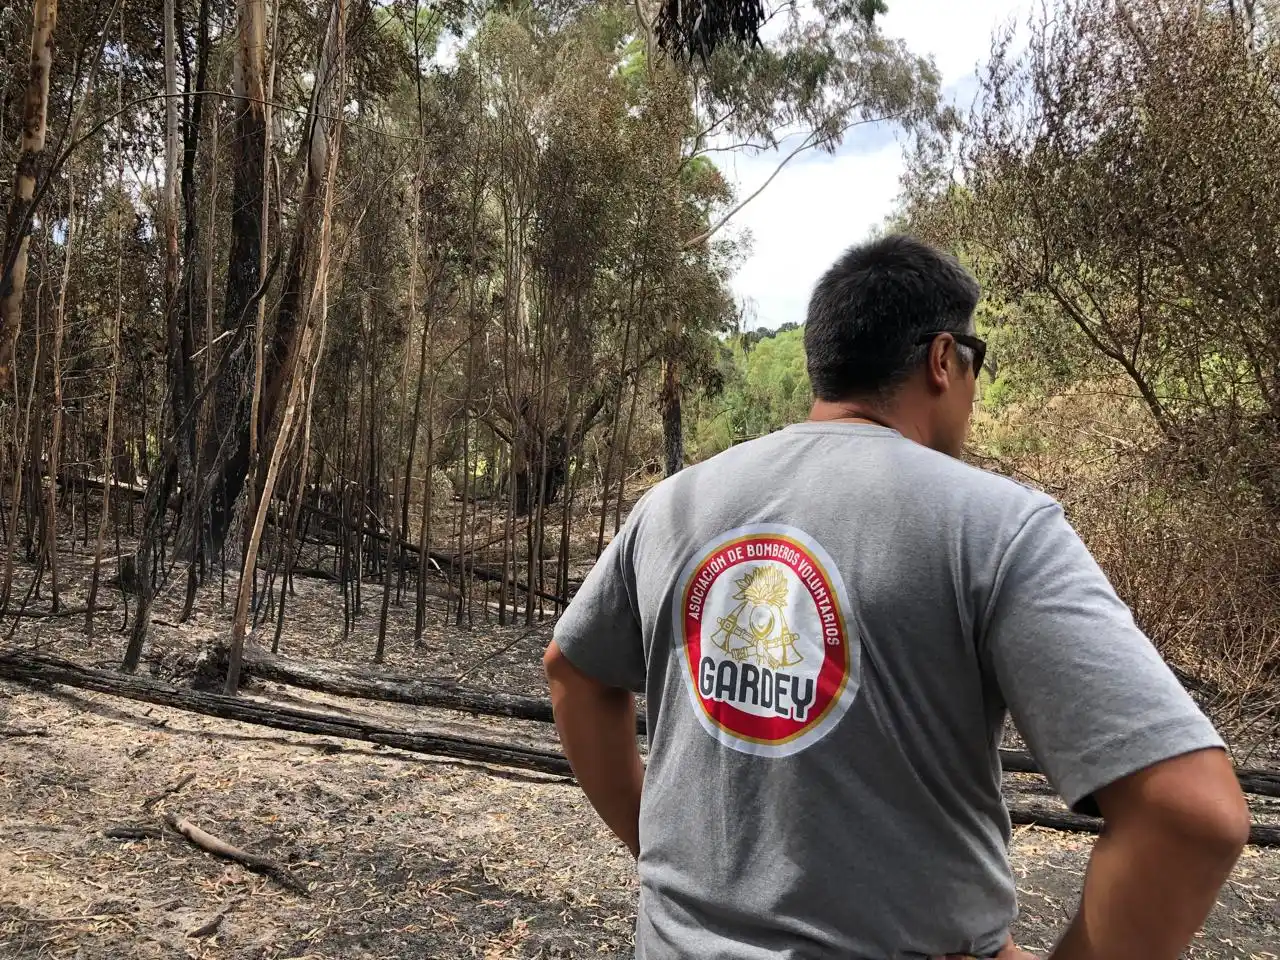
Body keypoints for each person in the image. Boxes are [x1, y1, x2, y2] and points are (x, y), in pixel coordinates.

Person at [543, 234, 1250, 960]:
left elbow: (572, 671)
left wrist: (664, 863)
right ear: (944, 361)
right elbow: (1190, 815)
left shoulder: (674, 504)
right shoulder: (994, 526)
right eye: (976, 365)